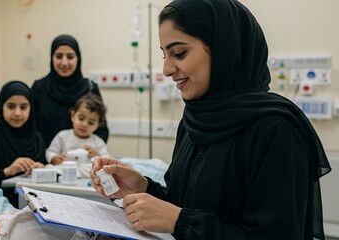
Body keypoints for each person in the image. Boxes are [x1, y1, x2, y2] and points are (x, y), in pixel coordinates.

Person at [90, 0, 332, 239]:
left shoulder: (275, 129)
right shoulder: (195, 119)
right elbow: (185, 204)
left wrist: (178, 222)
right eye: (164, 55)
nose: (166, 69)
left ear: (224, 49)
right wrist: (144, 188)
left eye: (179, 53)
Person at [0, 81, 47, 208]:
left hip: (38, 205)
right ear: (1, 106)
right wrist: (7, 171)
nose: (17, 113)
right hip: (1, 206)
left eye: (23, 107)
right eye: (11, 106)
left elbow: (45, 165)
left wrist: (41, 169)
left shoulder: (36, 138)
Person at [31, 34, 109, 149]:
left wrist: (90, 151)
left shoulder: (90, 88)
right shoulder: (39, 88)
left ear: (78, 58)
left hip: (83, 161)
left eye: (70, 56)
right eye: (59, 56)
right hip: (46, 161)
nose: (64, 63)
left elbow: (102, 129)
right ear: (51, 58)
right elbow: (31, 128)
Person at [46, 94, 108, 178]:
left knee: (95, 170)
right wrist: (54, 158)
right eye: (81, 118)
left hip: (86, 173)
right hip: (64, 170)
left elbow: (107, 160)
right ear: (73, 116)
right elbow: (50, 151)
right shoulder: (63, 135)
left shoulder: (98, 141)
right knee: (49, 168)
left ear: (97, 125)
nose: (84, 124)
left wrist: (96, 156)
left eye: (91, 123)